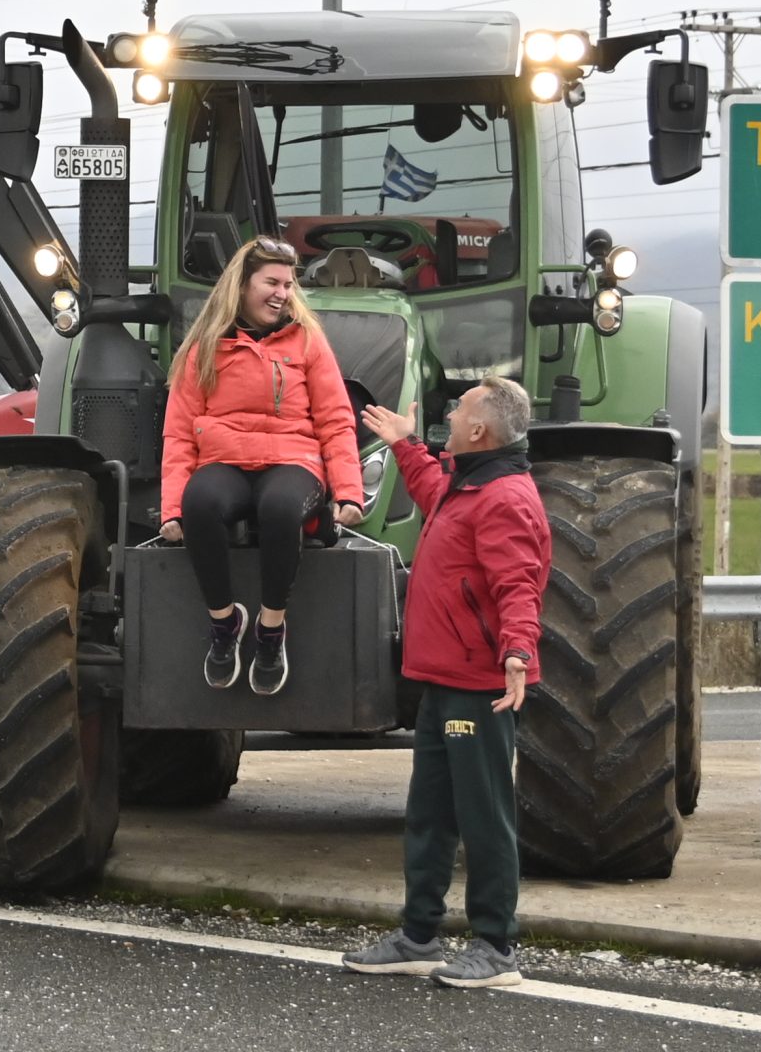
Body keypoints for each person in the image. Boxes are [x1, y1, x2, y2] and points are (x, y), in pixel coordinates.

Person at [342, 377, 547, 989]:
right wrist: (407, 447)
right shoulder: (468, 484)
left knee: (484, 815)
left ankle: (496, 947)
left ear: (480, 430)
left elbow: (520, 583)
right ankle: (419, 935)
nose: (451, 415)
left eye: (460, 409)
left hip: (479, 684)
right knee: (429, 812)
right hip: (443, 679)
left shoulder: (504, 497)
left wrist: (516, 651)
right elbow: (435, 493)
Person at [158, 236, 366, 697]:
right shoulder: (204, 349)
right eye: (271, 281)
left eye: (289, 285)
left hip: (293, 459)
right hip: (225, 460)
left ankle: (271, 630)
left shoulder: (308, 342)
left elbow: (335, 420)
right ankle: (225, 622)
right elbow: (177, 433)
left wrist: (349, 491)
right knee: (200, 502)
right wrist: (171, 507)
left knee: (280, 508)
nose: (283, 292)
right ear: (242, 285)